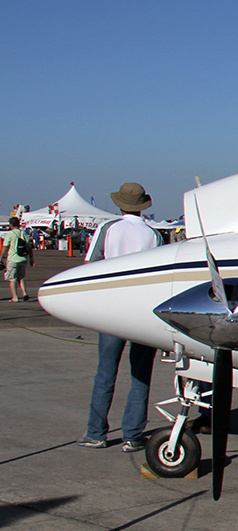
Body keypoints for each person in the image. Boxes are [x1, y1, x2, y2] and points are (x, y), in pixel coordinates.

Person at [79, 183, 162, 452]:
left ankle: (96, 432)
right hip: (142, 311)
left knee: (105, 371)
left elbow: (91, 265)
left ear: (120, 204)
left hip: (112, 309)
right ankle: (132, 433)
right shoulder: (154, 233)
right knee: (140, 373)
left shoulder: (109, 229)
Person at [3, 216, 32, 302]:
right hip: (23, 258)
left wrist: (1, 257)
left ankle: (15, 297)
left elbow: (5, 246)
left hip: (13, 258)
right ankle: (24, 292)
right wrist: (31, 258)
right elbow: (29, 247)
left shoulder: (10, 234)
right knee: (21, 277)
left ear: (11, 225)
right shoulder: (24, 234)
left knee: (12, 278)